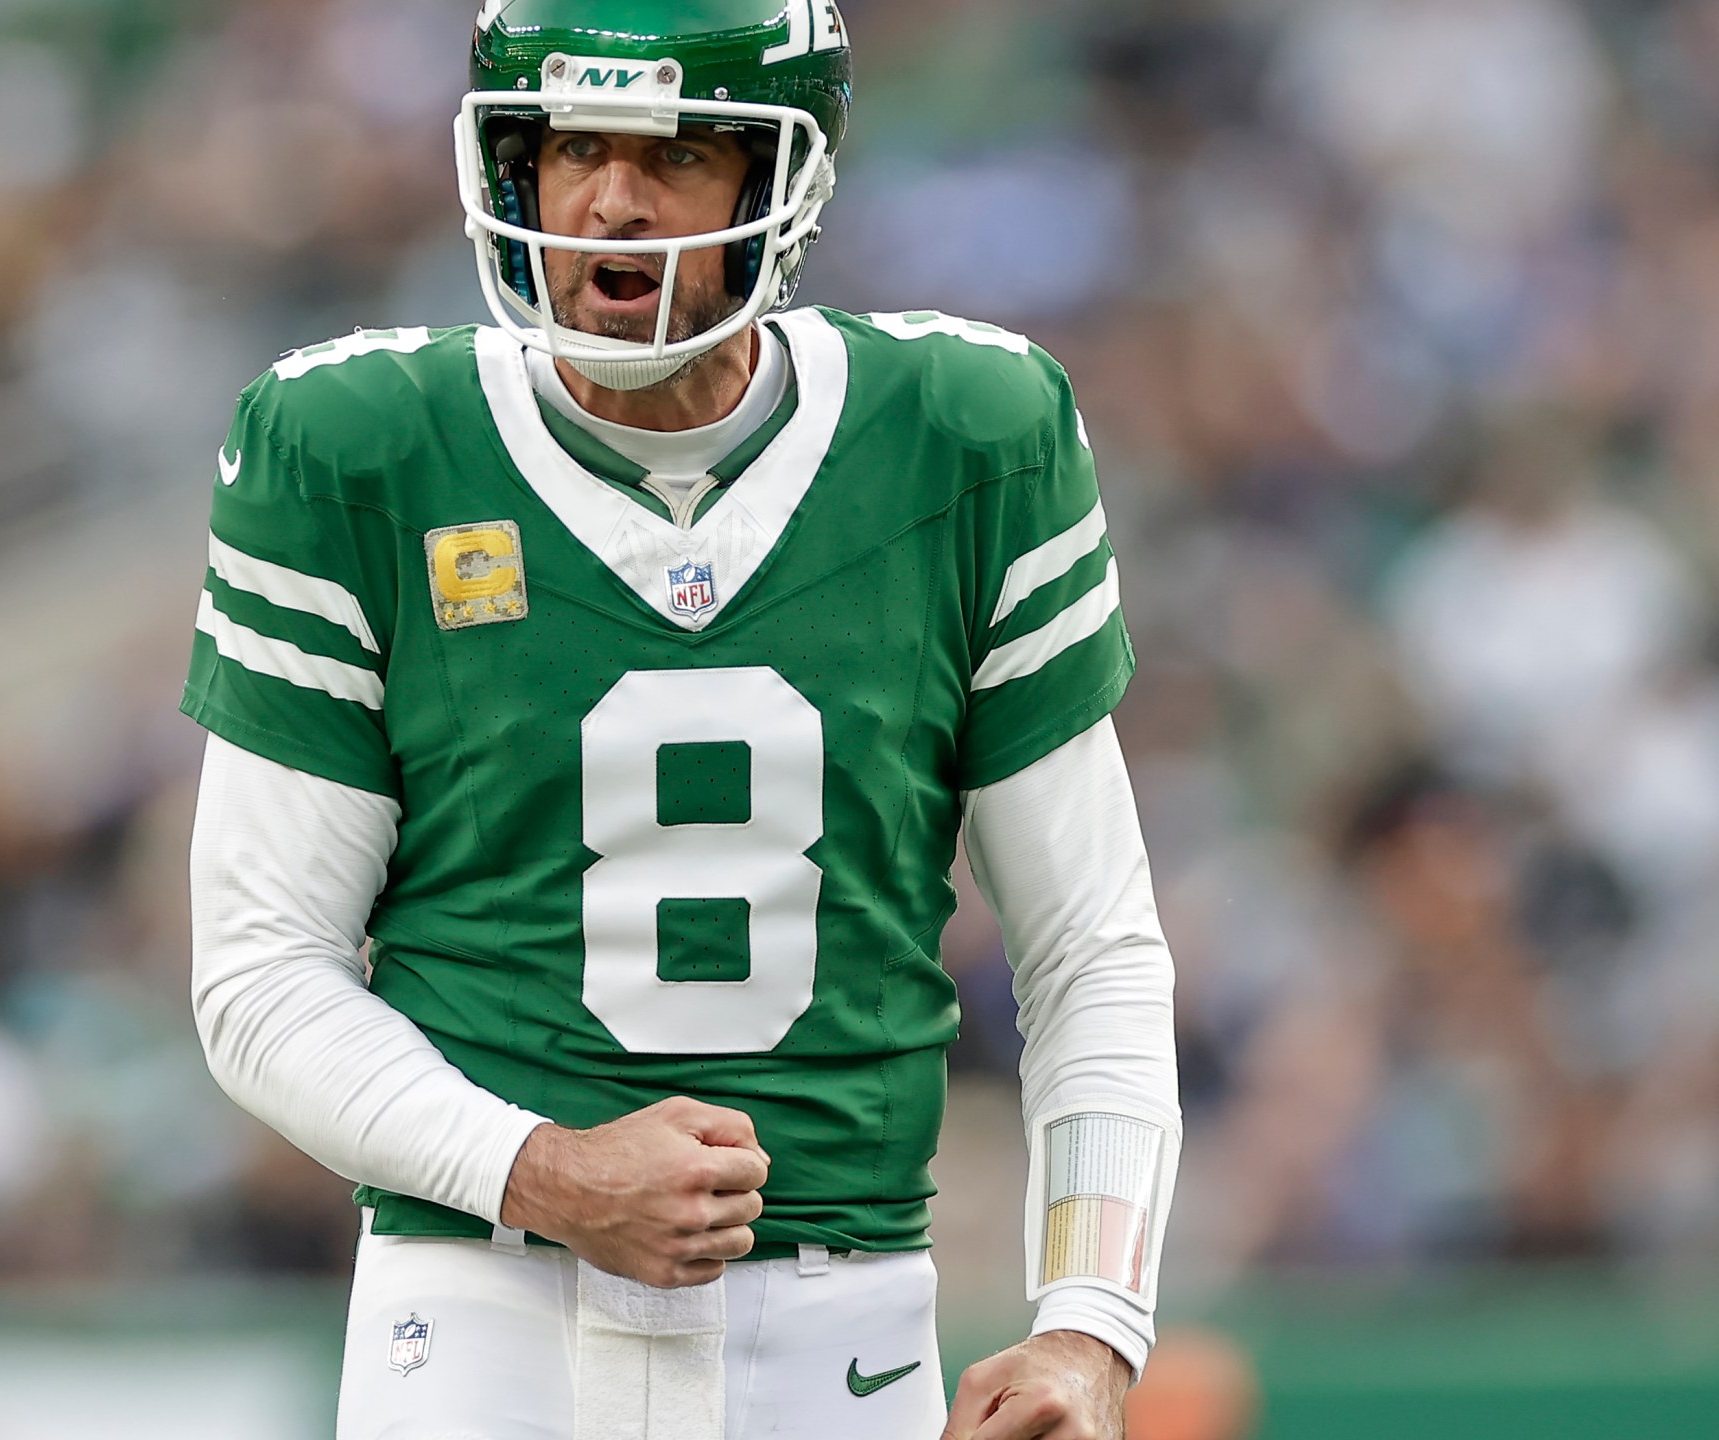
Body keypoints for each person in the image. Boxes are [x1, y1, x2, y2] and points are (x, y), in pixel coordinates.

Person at [184, 3, 1180, 1436]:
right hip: (476, 1314)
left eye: (678, 152)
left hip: (844, 1326)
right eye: (574, 143)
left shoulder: (970, 434)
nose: (610, 201)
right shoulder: (353, 448)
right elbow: (259, 978)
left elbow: (1092, 949)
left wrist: (1091, 1327)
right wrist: (541, 1167)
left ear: (783, 180)